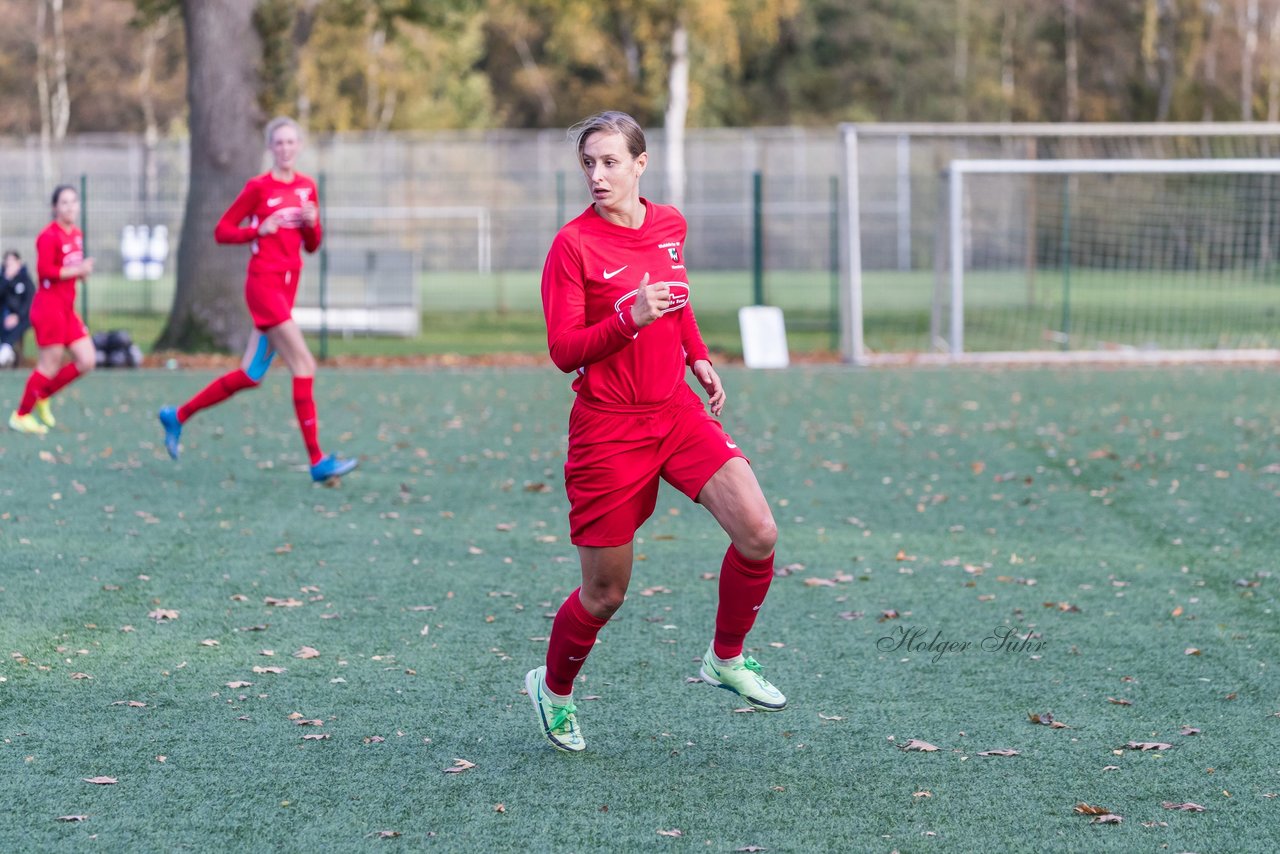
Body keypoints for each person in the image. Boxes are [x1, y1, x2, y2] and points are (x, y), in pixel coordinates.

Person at [525, 111, 785, 753]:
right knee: (605, 593)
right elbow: (563, 349)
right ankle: (553, 691)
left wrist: (696, 355)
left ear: (641, 164)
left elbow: (678, 295)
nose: (597, 175)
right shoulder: (572, 246)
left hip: (674, 412)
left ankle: (725, 658)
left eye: (611, 161)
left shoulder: (670, 224)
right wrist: (627, 317)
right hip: (607, 431)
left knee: (758, 532)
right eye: (588, 163)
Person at [157, 117, 356, 483]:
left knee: (250, 375)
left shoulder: (307, 188)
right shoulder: (258, 188)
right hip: (264, 288)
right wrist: (256, 229)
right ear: (270, 148)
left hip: (285, 289)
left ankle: (177, 415)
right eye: (278, 143)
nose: (285, 149)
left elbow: (312, 246)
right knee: (305, 365)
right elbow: (222, 231)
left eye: (290, 143)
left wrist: (312, 223)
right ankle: (317, 460)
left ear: (299, 147)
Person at [8, 187, 95, 434]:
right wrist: (78, 270)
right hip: (49, 309)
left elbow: (72, 268)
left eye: (73, 202)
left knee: (87, 360)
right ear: (55, 207)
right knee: (49, 365)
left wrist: (82, 273)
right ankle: (21, 414)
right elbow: (46, 271)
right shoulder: (48, 236)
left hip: (67, 310)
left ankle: (43, 394)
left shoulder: (77, 234)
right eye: (63, 202)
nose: (69, 207)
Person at [0, 250, 34, 367]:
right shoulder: (3, 278)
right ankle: (6, 351)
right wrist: (6, 279)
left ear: (18, 263)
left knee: (24, 321)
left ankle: (6, 347)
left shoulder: (25, 280)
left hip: (22, 316)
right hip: (4, 315)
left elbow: (29, 301)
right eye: (7, 263)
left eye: (12, 262)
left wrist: (17, 316)